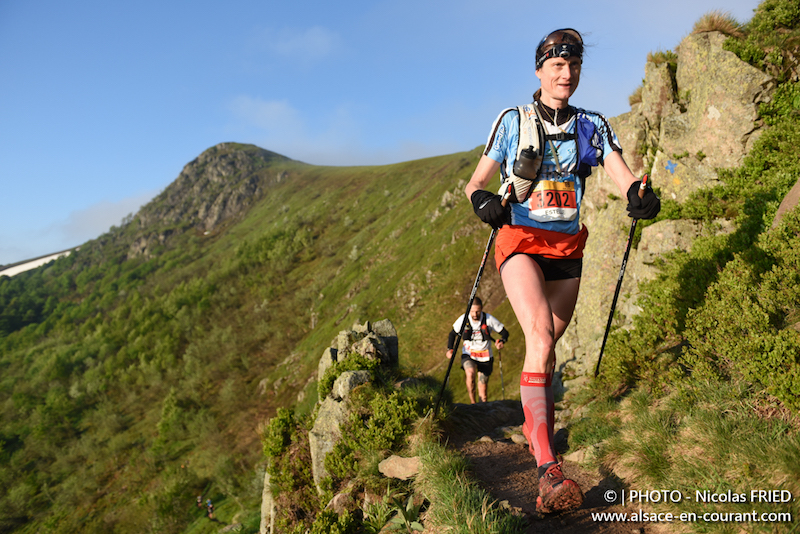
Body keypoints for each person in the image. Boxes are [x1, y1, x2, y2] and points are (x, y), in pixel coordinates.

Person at [464, 29, 660, 514]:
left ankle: (536, 432)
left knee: (546, 345)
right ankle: (548, 471)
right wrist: (483, 201)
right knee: (540, 337)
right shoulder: (513, 120)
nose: (566, 74)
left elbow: (622, 174)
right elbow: (474, 182)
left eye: (573, 66)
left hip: (567, 247)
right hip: (520, 240)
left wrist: (640, 195)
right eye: (556, 66)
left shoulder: (592, 125)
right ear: (539, 70)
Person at [445, 296, 509, 404]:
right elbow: (452, 334)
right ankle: (473, 403)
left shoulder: (488, 319)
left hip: (486, 356)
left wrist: (501, 341)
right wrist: (450, 349)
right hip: (469, 354)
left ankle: (481, 407)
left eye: (478, 312)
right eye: (473, 312)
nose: (475, 315)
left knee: (483, 388)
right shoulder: (463, 319)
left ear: (482, 309)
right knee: (470, 373)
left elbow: (505, 333)